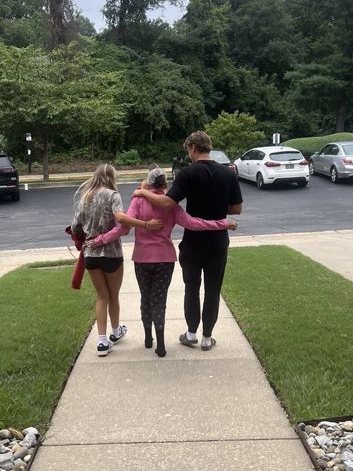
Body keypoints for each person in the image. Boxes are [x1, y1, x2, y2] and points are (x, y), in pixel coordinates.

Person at [87, 166, 237, 358]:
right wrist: (222, 223)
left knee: (145, 298)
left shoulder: (138, 200)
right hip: (165, 260)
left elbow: (123, 228)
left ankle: (148, 338)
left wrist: (99, 240)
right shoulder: (171, 206)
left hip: (142, 258)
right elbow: (194, 224)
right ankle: (161, 344)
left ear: (148, 183)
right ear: (165, 183)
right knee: (159, 300)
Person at [133, 131, 242, 351]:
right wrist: (217, 208)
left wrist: (143, 193)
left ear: (193, 148)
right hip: (218, 241)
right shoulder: (228, 173)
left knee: (192, 287)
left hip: (193, 242)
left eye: (188, 150)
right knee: (213, 290)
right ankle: (207, 338)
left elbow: (167, 203)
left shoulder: (187, 173)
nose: (188, 154)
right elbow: (236, 209)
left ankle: (191, 334)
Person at [71, 164, 162, 357]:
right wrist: (146, 225)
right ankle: (115, 331)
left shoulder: (85, 198)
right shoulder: (113, 196)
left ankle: (102, 341)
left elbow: (75, 227)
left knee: (101, 296)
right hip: (111, 253)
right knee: (114, 295)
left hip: (91, 255)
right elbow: (122, 221)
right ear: (111, 177)